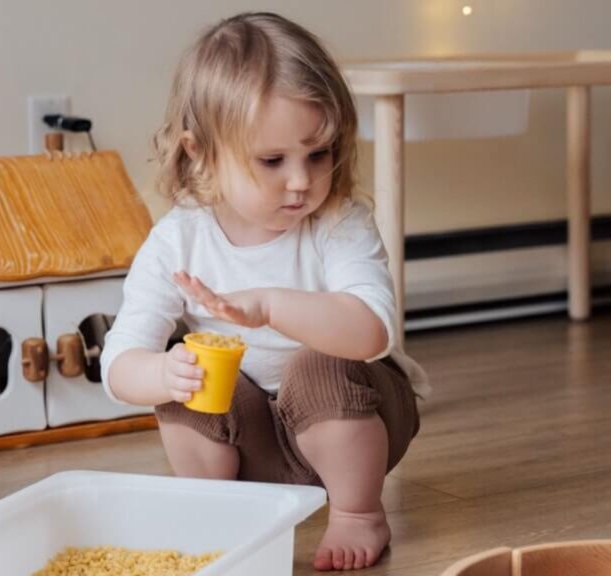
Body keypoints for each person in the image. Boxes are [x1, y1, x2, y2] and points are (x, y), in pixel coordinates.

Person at [101, 12, 429, 571]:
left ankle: (358, 514)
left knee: (317, 365)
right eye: (273, 161)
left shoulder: (338, 223)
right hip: (251, 444)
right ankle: (221, 513)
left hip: (354, 426)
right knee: (189, 379)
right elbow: (118, 362)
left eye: (318, 154)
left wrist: (270, 305)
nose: (301, 181)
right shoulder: (178, 240)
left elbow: (371, 332)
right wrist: (163, 374)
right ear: (201, 152)